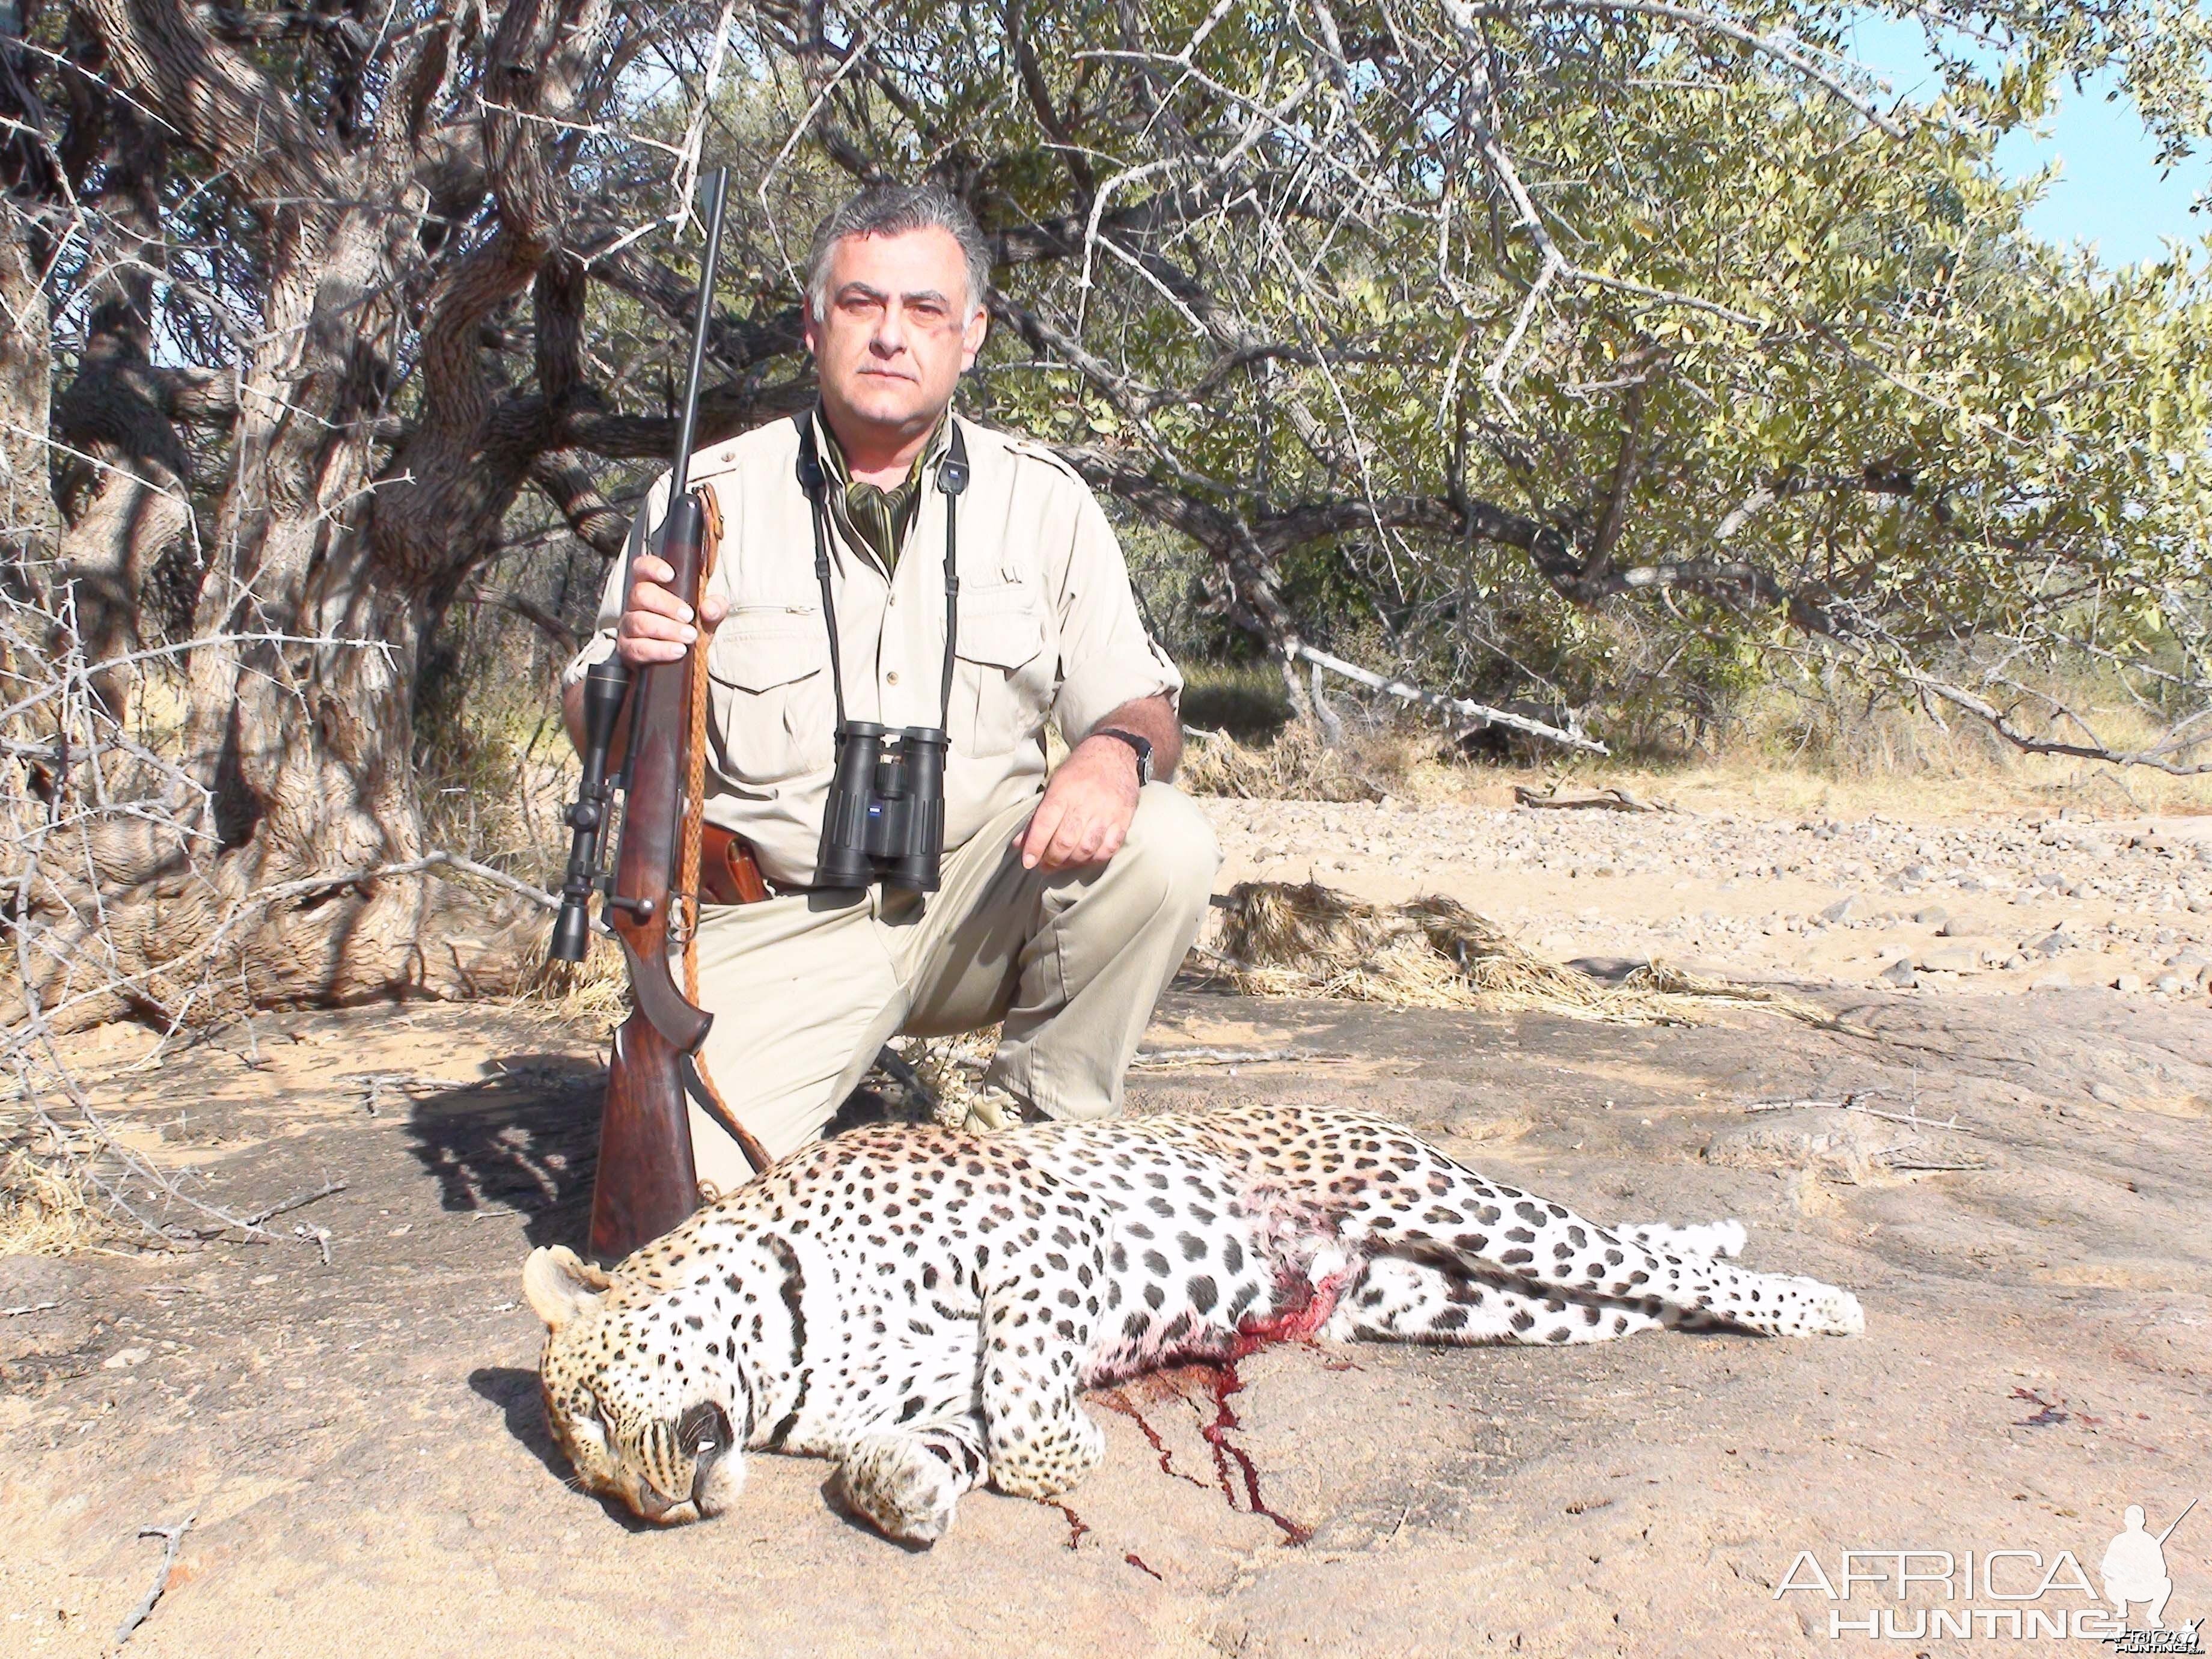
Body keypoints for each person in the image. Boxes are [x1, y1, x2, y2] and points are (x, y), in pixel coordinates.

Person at [560, 183, 1220, 1194]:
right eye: (863, 305)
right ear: (815, 323)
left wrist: (1113, 753)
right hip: (775, 919)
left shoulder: (1043, 502)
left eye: (925, 312)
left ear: (972, 336)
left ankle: (1038, 1144)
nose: (890, 337)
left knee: (1165, 838)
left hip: (975, 903)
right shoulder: (704, 499)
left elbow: (1143, 706)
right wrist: (629, 668)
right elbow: (598, 729)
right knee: (677, 1196)